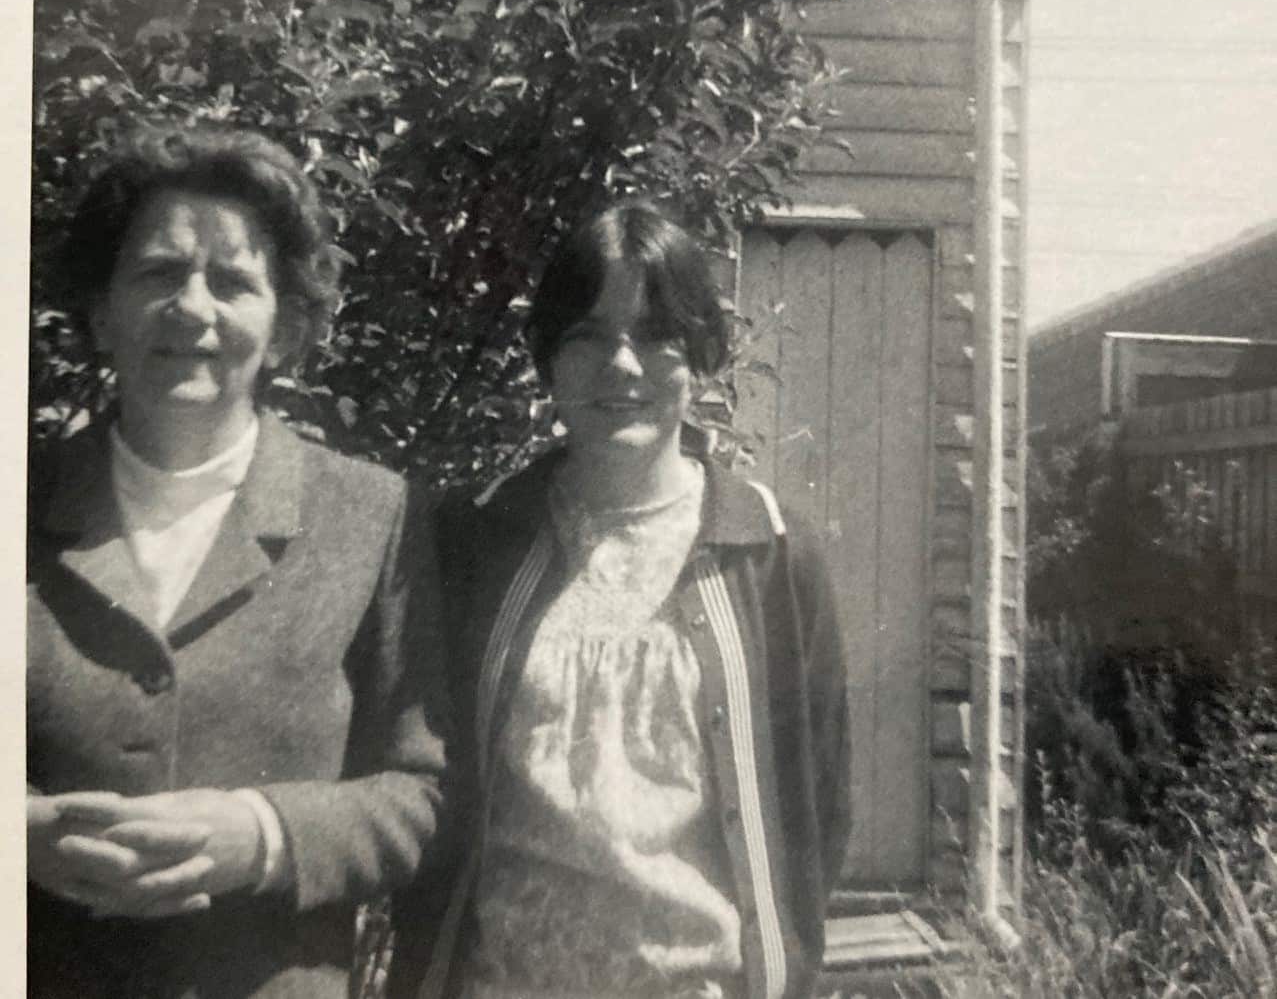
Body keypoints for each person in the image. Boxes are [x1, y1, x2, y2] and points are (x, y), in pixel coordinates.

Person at [27, 124, 448, 999]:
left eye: (232, 281)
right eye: (157, 272)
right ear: (102, 312)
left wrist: (260, 833)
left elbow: (426, 794)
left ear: (286, 327)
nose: (193, 308)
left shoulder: (371, 515)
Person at [410, 203, 850, 999]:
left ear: (701, 355)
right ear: (547, 356)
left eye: (655, 334)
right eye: (587, 335)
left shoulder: (772, 553)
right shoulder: (475, 541)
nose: (621, 364)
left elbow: (814, 812)